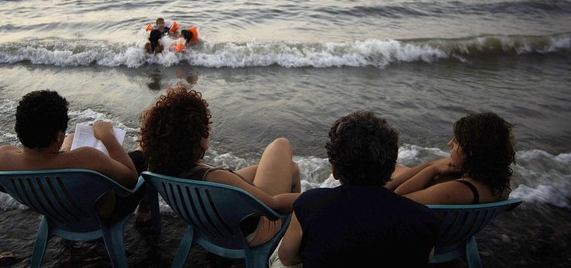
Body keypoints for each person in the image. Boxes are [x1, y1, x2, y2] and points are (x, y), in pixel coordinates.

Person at [139, 84, 301, 247]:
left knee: (291, 168)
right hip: (251, 233)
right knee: (280, 144)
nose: (209, 128)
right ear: (193, 137)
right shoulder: (216, 177)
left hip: (207, 224)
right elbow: (275, 205)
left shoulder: (159, 168)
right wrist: (318, 198)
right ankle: (292, 241)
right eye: (204, 125)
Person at [272, 111, 440, 267]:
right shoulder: (423, 217)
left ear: (334, 171)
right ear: (391, 168)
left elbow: (288, 257)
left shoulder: (310, 204)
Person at [0, 90, 147, 221]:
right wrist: (108, 137)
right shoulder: (88, 158)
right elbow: (131, 178)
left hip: (55, 212)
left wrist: (65, 151)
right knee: (142, 155)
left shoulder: (1, 159)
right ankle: (145, 212)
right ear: (58, 136)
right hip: (98, 216)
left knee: (71, 139)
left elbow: (2, 185)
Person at [387, 112, 516, 205]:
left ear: (471, 151)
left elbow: (394, 200)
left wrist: (432, 168)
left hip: (422, 230)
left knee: (389, 171)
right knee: (395, 168)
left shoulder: (458, 190)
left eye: (456, 141)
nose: (450, 143)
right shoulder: (497, 185)